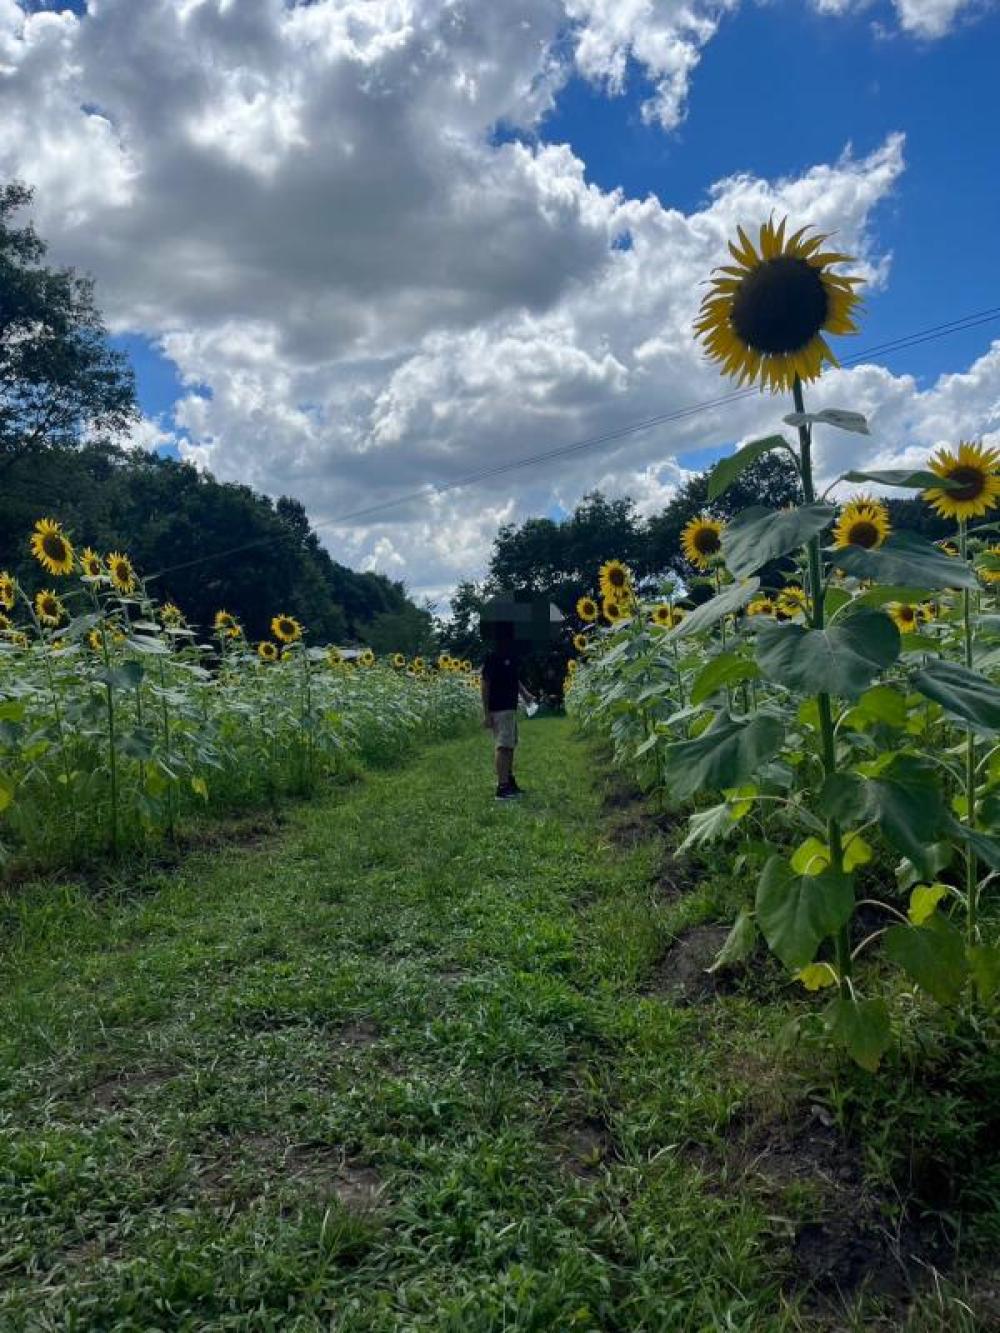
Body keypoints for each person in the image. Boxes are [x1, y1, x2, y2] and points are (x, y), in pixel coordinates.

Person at [480, 621, 535, 800]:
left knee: (510, 745)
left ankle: (509, 782)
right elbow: (485, 685)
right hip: (499, 707)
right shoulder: (493, 656)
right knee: (503, 746)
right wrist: (486, 713)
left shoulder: (510, 655)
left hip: (510, 707)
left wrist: (526, 695)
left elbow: (513, 680)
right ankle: (502, 789)